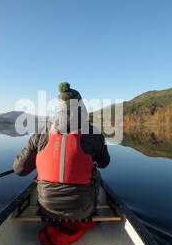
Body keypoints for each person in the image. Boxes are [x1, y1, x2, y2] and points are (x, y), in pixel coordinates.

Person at [13, 82, 110, 222]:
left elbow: (19, 170)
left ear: (59, 107)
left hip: (47, 211)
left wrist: (40, 160)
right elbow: (104, 163)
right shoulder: (94, 133)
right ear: (81, 106)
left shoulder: (40, 133)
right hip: (84, 211)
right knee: (96, 173)